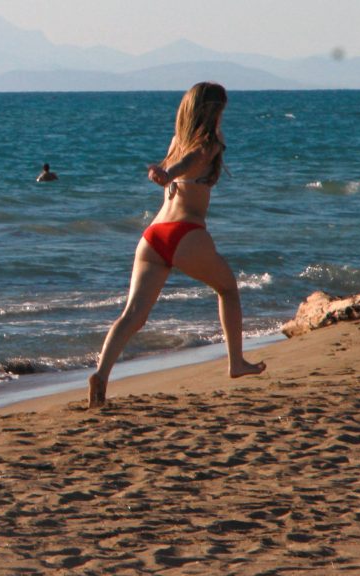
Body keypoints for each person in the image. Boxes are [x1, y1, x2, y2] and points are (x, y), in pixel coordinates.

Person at [87, 82, 265, 408]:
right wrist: (169, 173)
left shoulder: (175, 142)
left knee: (133, 316)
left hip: (153, 237)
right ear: (212, 111)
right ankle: (236, 362)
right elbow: (192, 160)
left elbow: (181, 162)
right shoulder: (209, 143)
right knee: (227, 289)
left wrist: (166, 171)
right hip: (186, 234)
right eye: (222, 109)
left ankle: (101, 374)